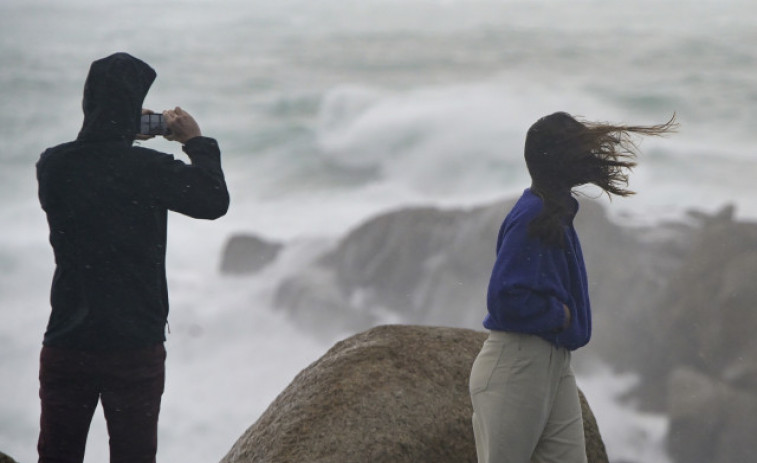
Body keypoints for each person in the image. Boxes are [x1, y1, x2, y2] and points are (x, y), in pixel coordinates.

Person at [36, 52, 230, 463]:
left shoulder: (53, 166)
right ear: (131, 110)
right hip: (133, 342)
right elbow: (213, 200)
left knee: (57, 454)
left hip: (68, 339)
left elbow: (93, 165)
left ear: (89, 102)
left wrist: (117, 133)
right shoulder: (147, 169)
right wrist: (195, 141)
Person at [469, 112, 675, 463]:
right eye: (579, 146)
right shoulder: (532, 214)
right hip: (517, 365)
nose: (590, 152)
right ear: (559, 160)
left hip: (553, 364)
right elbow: (505, 298)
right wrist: (560, 315)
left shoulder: (553, 210)